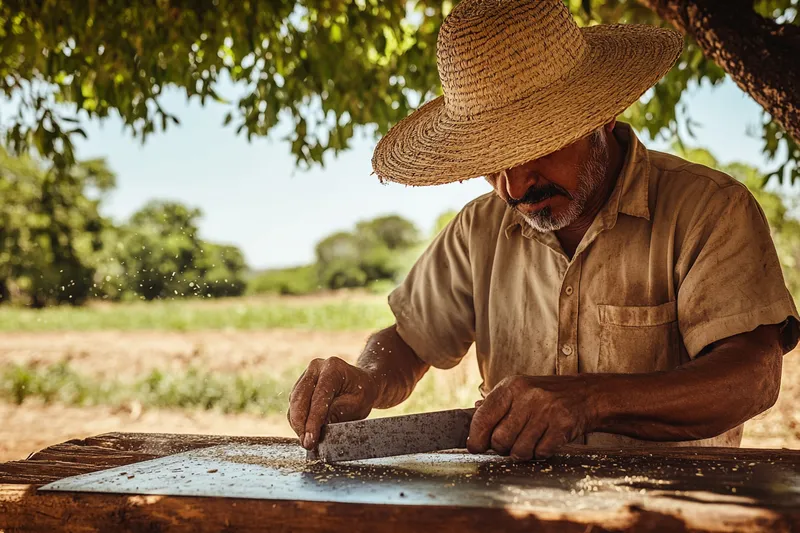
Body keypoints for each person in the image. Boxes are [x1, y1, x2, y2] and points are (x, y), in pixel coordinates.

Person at [287, 0, 800, 461]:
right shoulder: (480, 227)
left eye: (535, 149)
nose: (514, 186)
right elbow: (406, 342)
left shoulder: (708, 210)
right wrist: (367, 378)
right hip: (510, 509)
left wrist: (588, 400)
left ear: (601, 115)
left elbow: (751, 378)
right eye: (493, 162)